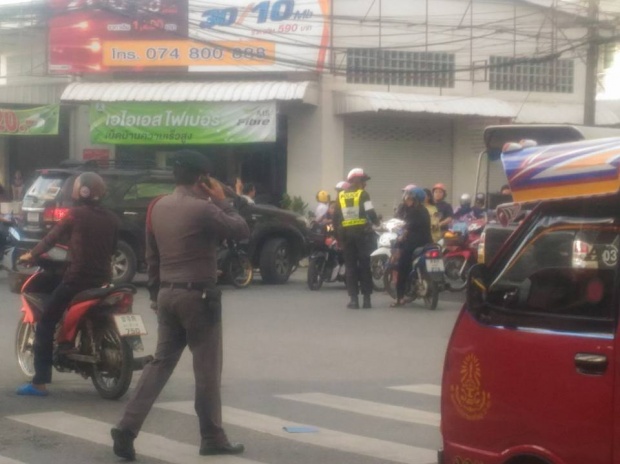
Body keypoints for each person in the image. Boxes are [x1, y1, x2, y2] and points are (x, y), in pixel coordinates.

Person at [111, 150, 250, 461]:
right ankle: (212, 436)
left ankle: (127, 427)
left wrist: (156, 295)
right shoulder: (204, 209)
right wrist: (222, 200)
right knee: (207, 370)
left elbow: (152, 257)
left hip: (168, 295)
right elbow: (241, 229)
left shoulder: (156, 207)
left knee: (160, 364)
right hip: (198, 297)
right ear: (202, 179)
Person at [16, 172, 120, 396]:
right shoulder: (112, 218)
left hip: (77, 280)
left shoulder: (74, 215)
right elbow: (111, 249)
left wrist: (31, 255)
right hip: (102, 280)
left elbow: (51, 239)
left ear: (81, 191)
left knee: (45, 322)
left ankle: (39, 382)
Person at [333, 167, 380, 309]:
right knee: (365, 266)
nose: (365, 183)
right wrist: (377, 222)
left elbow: (336, 218)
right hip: (362, 235)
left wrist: (338, 238)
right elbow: (370, 212)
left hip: (346, 236)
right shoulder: (363, 194)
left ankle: (353, 300)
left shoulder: (340, 196)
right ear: (357, 180)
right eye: (363, 180)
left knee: (351, 267)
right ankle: (367, 300)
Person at [391, 187, 432, 307]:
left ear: (415, 200)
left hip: (413, 243)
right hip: (427, 241)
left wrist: (401, 237)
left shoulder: (412, 212)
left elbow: (406, 228)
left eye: (409, 198)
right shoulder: (423, 210)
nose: (407, 200)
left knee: (402, 267)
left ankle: (399, 298)